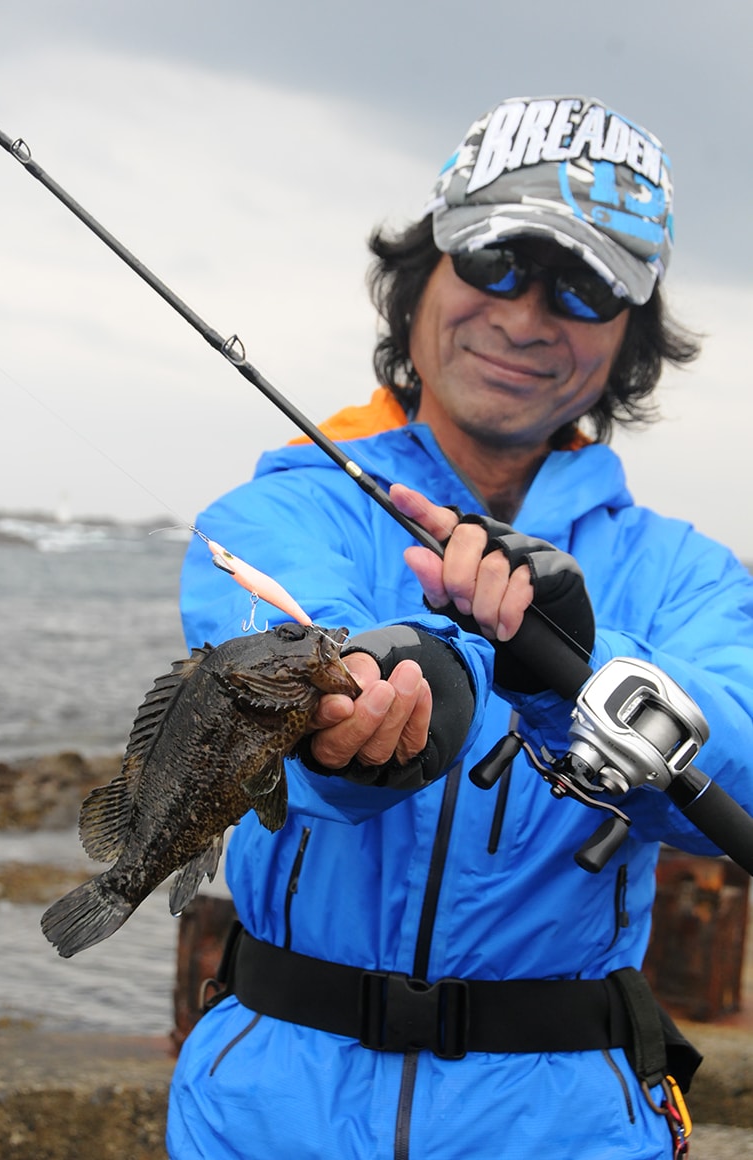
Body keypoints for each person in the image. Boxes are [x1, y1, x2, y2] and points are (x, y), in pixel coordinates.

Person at [166, 94, 753, 1160]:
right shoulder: (275, 510)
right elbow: (276, 643)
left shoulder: (690, 575)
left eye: (582, 288)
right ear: (418, 278)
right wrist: (397, 681)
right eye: (492, 261)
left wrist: (573, 669)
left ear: (628, 338)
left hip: (569, 1126)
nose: (526, 316)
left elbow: (744, 764)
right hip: (260, 1117)